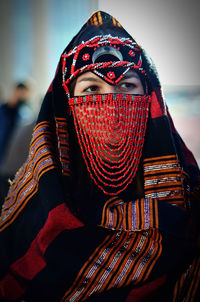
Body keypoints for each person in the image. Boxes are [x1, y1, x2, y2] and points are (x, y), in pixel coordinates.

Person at [0, 11, 200, 302]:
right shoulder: (35, 204)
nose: (112, 101)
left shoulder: (187, 199)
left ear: (150, 100)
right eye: (92, 88)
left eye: (127, 86)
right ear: (67, 106)